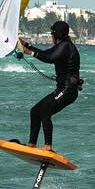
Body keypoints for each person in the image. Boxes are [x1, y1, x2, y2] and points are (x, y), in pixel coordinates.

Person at [16, 20, 82, 151]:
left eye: (52, 34)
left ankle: (48, 146)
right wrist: (26, 45)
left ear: (56, 35)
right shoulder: (62, 45)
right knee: (35, 111)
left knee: (45, 110)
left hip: (68, 90)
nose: (51, 37)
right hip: (63, 89)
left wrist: (30, 52)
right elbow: (47, 53)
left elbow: (50, 58)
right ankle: (32, 144)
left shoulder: (66, 47)